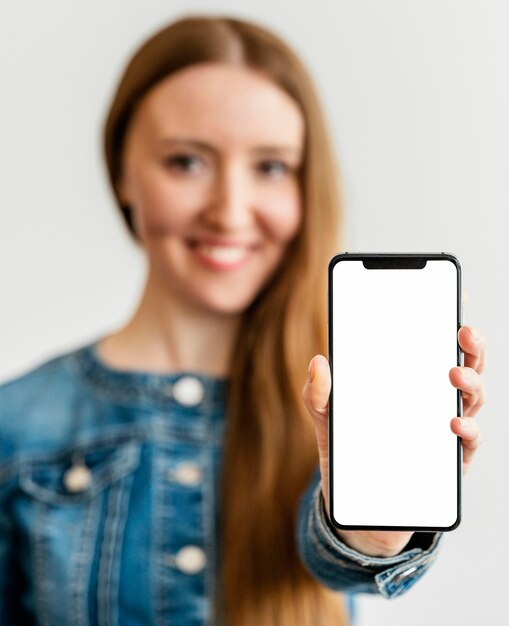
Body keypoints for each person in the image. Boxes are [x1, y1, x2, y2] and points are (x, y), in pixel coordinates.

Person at [0, 15, 486, 626]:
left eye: (271, 167)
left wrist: (376, 532)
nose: (230, 212)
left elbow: (336, 561)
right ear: (124, 174)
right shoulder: (14, 426)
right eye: (186, 162)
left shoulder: (337, 404)